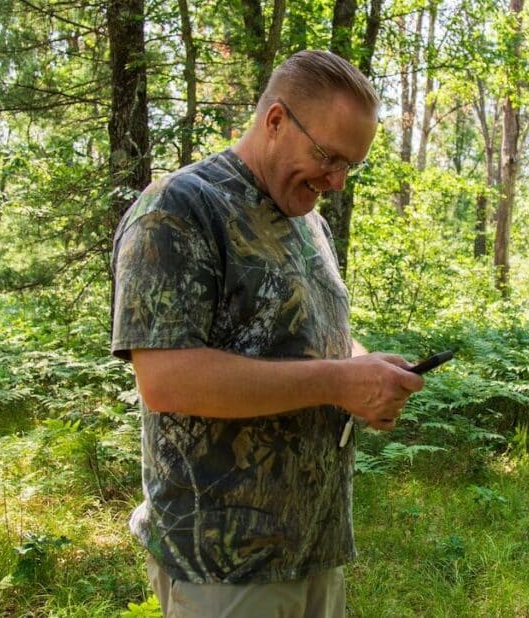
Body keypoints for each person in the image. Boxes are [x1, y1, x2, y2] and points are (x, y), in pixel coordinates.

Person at [110, 50, 424, 617]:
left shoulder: (307, 218)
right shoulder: (180, 209)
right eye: (328, 157)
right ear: (275, 121)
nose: (337, 181)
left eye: (351, 165)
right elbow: (167, 379)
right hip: (222, 560)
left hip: (314, 544)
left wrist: (365, 368)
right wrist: (337, 382)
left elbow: (314, 337)